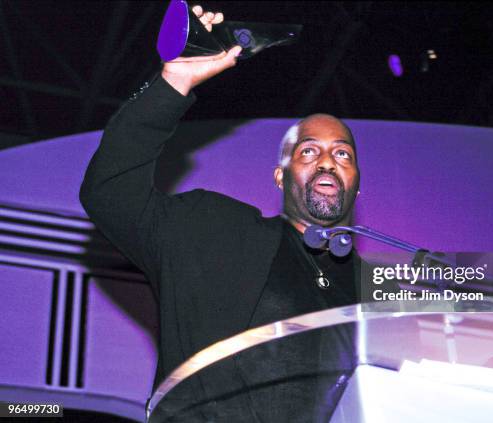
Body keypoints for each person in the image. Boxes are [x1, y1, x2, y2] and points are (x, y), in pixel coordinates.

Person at [80, 6, 364, 422]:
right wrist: (174, 82)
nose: (327, 161)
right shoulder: (210, 228)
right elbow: (110, 191)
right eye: (308, 150)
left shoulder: (374, 289)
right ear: (280, 177)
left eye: (342, 154)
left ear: (357, 181)